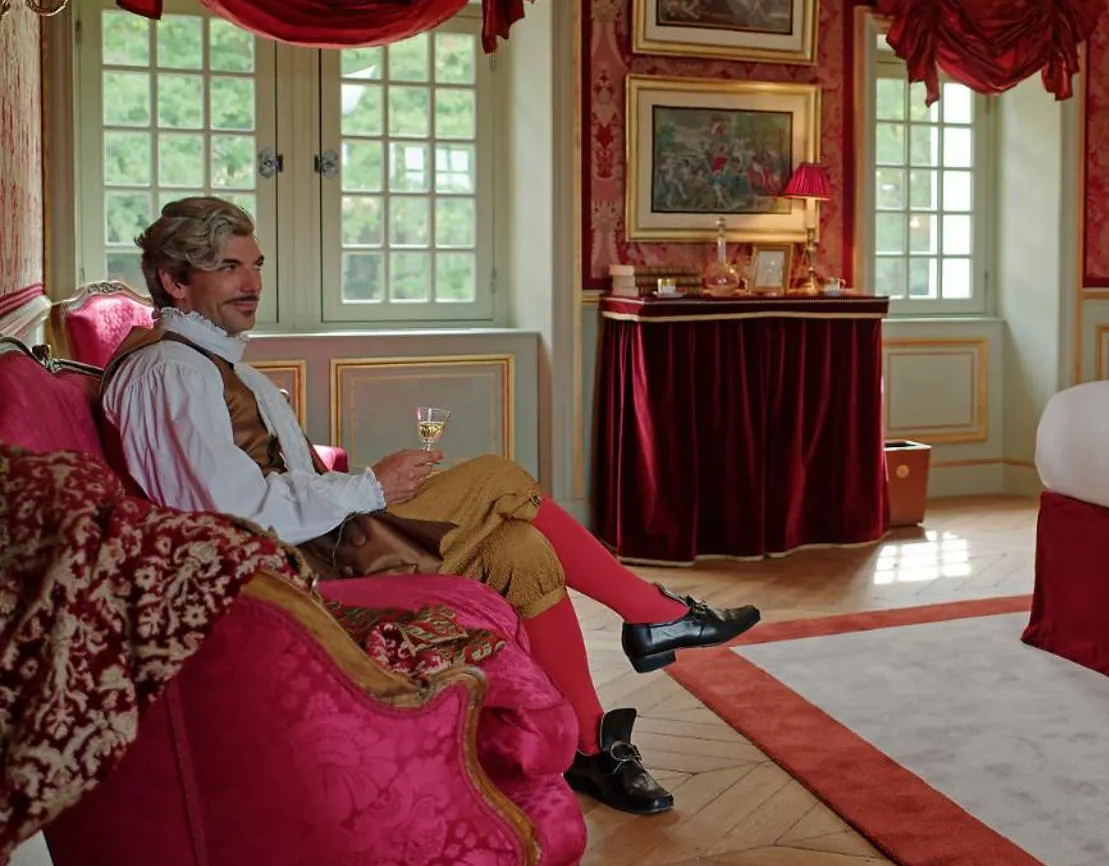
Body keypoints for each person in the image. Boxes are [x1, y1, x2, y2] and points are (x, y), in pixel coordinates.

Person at [102, 197, 763, 818]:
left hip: (318, 540)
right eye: (227, 268)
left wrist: (370, 485)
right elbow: (230, 514)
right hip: (290, 576)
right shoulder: (172, 373)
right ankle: (654, 616)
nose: (251, 281)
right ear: (174, 282)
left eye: (256, 265)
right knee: (500, 476)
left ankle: (592, 746)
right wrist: (369, 487)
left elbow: (272, 479)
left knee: (522, 550)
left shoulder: (215, 362)